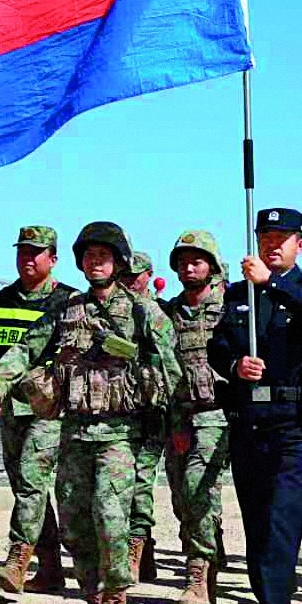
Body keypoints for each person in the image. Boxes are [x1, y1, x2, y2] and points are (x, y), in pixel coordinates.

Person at [0, 222, 181, 604]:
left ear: (119, 262)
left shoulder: (143, 311)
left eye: (104, 256)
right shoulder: (67, 309)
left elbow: (171, 369)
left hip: (120, 433)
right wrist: (0, 380)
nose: (96, 262)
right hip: (73, 431)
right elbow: (27, 347)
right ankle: (93, 602)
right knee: (74, 524)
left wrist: (162, 413)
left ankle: (115, 601)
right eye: (89, 255)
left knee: (111, 518)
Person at [208, 207, 302, 604]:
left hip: (295, 423)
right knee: (258, 523)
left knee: (282, 517)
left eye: (282, 238)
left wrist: (272, 284)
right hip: (250, 421)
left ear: (300, 244)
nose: (272, 245)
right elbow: (217, 345)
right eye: (266, 237)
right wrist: (234, 365)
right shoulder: (237, 294)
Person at [0, 226, 76, 595]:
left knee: (31, 480)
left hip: (49, 408)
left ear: (53, 259)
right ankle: (50, 568)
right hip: (10, 406)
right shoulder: (2, 299)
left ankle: (18, 558)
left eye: (35, 252)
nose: (27, 259)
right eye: (22, 252)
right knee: (26, 487)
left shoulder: (68, 301)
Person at [160, 229, 233, 604]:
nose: (189, 268)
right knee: (182, 496)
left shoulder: (231, 306)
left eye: (197, 261)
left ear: (212, 266)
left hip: (218, 413)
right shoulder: (168, 313)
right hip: (179, 413)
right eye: (183, 262)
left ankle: (199, 572)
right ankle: (210, 549)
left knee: (198, 487)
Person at [119, 250, 169, 585]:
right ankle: (143, 551)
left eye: (135, 275)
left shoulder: (156, 312)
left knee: (140, 482)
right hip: (120, 410)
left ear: (148, 275)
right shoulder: (115, 312)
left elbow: (169, 361)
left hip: (151, 410)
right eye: (124, 275)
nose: (129, 281)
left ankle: (136, 547)